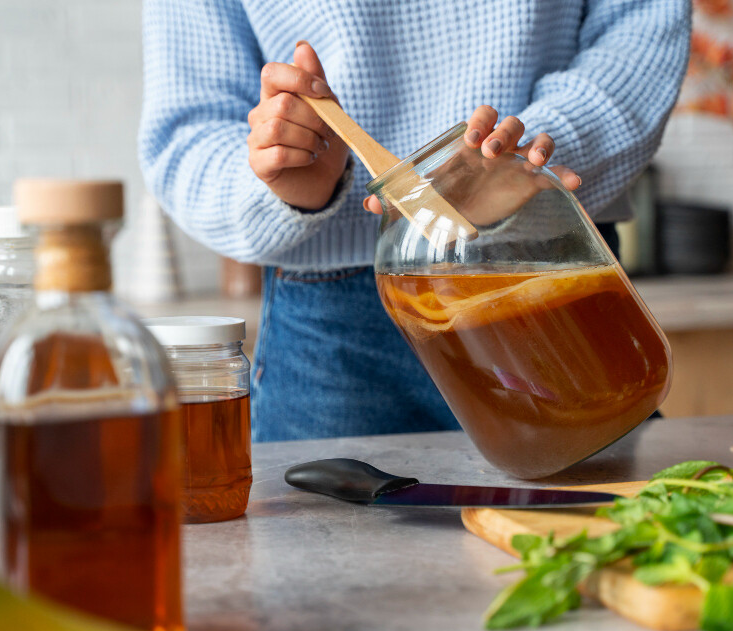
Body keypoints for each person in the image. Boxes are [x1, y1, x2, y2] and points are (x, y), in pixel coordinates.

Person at [139, 1, 691, 443]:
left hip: (550, 264)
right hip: (333, 339)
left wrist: (527, 157)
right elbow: (187, 134)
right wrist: (288, 179)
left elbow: (641, 28)